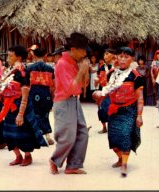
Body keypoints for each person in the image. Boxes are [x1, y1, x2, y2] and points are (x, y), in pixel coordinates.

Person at [0, 45, 48, 166]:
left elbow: (25, 96)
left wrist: (21, 114)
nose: (8, 58)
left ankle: (27, 156)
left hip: (21, 105)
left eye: (11, 56)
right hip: (8, 106)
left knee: (23, 133)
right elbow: (4, 89)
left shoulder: (23, 73)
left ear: (19, 57)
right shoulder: (9, 71)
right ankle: (18, 156)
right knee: (8, 133)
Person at [93, 47, 144, 177]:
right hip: (114, 109)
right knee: (113, 137)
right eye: (120, 56)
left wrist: (139, 116)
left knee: (125, 134)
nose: (122, 59)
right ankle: (120, 158)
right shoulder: (111, 74)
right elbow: (107, 89)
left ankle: (125, 164)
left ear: (132, 59)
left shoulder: (136, 76)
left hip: (129, 110)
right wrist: (100, 97)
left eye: (126, 57)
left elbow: (140, 98)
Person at [49, 32, 89, 175]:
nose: (84, 53)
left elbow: (84, 85)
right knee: (68, 136)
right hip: (64, 101)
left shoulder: (74, 62)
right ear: (73, 50)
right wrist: (81, 71)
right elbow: (71, 87)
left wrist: (85, 71)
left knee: (83, 133)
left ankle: (73, 165)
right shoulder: (62, 63)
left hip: (74, 100)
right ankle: (54, 160)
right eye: (82, 50)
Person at [27, 47, 55, 145]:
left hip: (33, 93)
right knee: (45, 114)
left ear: (34, 55)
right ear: (45, 56)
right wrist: (52, 98)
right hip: (45, 93)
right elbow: (53, 86)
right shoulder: (50, 69)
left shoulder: (29, 68)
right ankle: (47, 135)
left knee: (34, 114)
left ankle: (35, 136)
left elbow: (26, 84)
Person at [95, 48, 116, 134]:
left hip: (112, 91)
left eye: (107, 54)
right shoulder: (102, 67)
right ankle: (104, 127)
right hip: (102, 90)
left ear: (113, 56)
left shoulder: (116, 67)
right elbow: (99, 77)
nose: (105, 56)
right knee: (101, 109)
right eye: (104, 54)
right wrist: (97, 80)